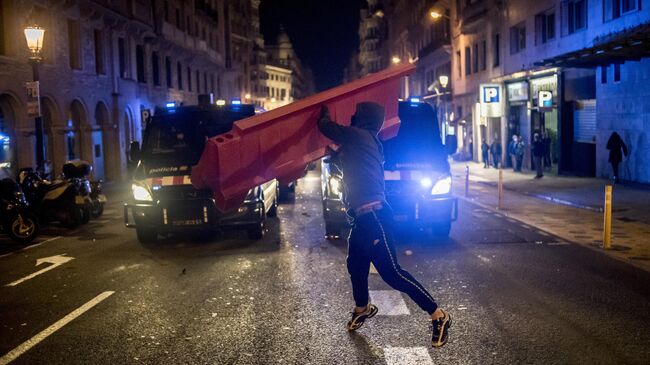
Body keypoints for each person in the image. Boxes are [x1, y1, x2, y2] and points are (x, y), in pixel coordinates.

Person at [317, 102, 451, 348]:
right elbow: (343, 164)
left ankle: (438, 315)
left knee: (392, 273)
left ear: (364, 119)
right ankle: (362, 308)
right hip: (362, 218)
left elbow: (326, 127)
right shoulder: (364, 142)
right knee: (355, 265)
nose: (353, 118)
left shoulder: (360, 137)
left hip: (375, 217)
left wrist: (322, 110)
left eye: (356, 115)